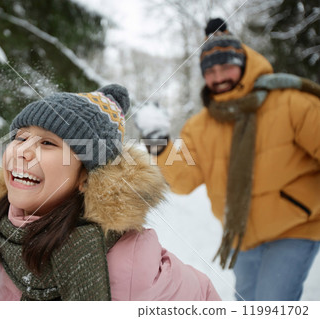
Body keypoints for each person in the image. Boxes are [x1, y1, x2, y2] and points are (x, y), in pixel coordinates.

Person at [0, 84, 221, 301]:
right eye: (20, 137)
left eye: (48, 143)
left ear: (85, 177)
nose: (22, 151)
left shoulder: (131, 262)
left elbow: (204, 295)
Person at [136, 18, 320, 301]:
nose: (219, 76)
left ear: (243, 64)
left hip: (295, 227)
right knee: (246, 302)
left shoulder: (290, 102)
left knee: (272, 302)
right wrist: (159, 146)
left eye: (227, 66)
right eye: (211, 70)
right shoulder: (200, 126)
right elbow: (184, 180)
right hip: (242, 235)